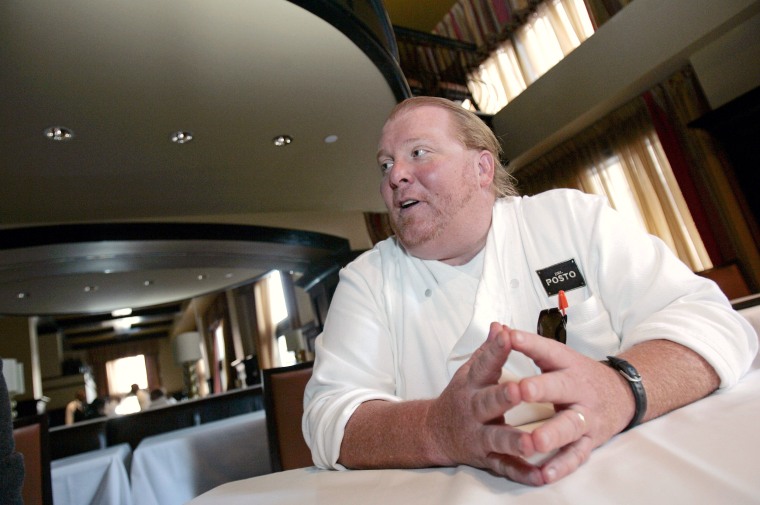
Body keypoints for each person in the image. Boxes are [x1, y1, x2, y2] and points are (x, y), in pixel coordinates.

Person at [302, 96, 758, 486]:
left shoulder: (569, 219)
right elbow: (328, 419)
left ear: (482, 168)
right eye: (385, 164)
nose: (395, 175)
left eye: (418, 153)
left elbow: (712, 320)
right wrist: (438, 430)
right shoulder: (368, 279)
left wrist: (619, 390)